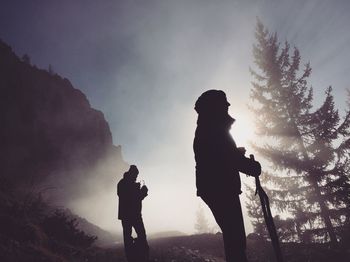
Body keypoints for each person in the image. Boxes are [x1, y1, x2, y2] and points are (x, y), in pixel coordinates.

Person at [193, 90, 261, 262]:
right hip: (221, 187)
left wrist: (235, 153)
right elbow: (227, 158)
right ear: (215, 106)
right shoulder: (214, 129)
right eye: (224, 103)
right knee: (235, 238)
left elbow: (218, 155)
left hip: (212, 187)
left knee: (233, 236)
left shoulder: (206, 128)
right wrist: (252, 167)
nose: (228, 106)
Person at [117, 165, 149, 262]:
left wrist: (140, 193)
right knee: (138, 236)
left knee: (129, 237)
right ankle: (138, 257)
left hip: (129, 215)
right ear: (131, 173)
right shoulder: (124, 184)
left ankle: (136, 256)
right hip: (132, 215)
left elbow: (134, 198)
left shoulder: (123, 183)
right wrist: (142, 193)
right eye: (135, 175)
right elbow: (132, 199)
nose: (136, 177)